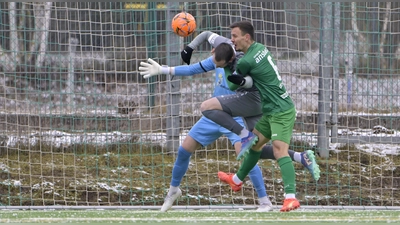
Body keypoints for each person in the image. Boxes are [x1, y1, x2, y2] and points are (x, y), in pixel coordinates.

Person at [138, 31, 319, 213]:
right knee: (184, 149)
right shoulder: (220, 51)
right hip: (214, 114)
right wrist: (165, 68)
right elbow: (197, 60)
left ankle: (265, 201)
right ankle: (173, 191)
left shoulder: (243, 62)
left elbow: (252, 83)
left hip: (236, 116)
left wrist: (244, 81)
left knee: (249, 153)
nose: (212, 61)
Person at [215, 21, 301, 212]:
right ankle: (236, 180)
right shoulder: (261, 48)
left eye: (235, 36)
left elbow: (232, 85)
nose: (232, 39)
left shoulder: (246, 61)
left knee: (280, 151)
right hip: (271, 109)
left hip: (281, 110)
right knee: (254, 145)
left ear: (247, 37)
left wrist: (227, 65)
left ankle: (290, 198)